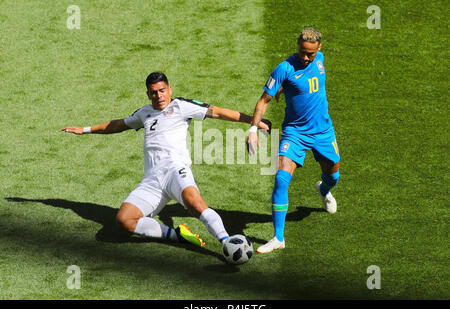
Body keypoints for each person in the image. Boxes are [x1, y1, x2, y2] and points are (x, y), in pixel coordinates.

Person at [62, 72, 271, 247]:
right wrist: (85, 130)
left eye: (162, 90)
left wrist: (255, 122)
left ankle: (226, 242)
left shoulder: (181, 106)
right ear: (148, 94)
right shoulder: (144, 113)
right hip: (152, 180)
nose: (159, 96)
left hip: (175, 170)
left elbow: (219, 113)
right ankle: (176, 236)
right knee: (124, 221)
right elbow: (117, 125)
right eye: (154, 92)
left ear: (169, 89)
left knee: (195, 205)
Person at [246, 28, 341, 254]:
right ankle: (279, 237)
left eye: (310, 53)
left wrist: (283, 88)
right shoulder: (285, 68)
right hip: (295, 133)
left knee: (333, 176)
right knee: (280, 178)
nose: (305, 58)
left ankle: (324, 191)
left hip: (323, 132)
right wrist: (252, 129)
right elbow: (263, 101)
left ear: (319, 48)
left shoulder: (320, 59)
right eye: (301, 52)